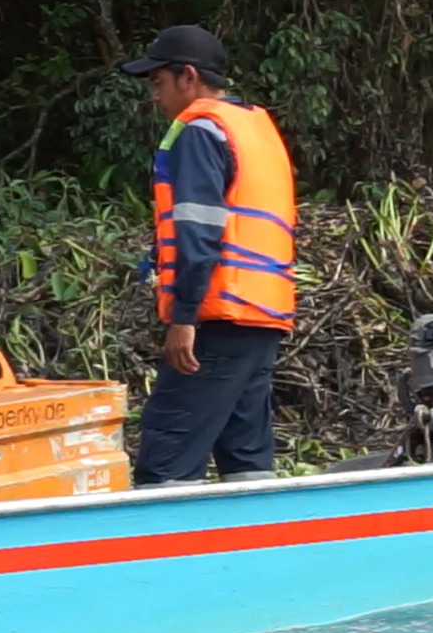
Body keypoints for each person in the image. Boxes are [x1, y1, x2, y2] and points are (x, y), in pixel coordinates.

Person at [119, 24, 298, 487]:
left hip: (217, 316)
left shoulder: (200, 132)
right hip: (262, 316)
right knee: (246, 456)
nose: (155, 96)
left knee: (167, 455)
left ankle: (164, 553)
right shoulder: (255, 126)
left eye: (159, 83)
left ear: (189, 77)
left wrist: (184, 319)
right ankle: (261, 550)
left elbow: (200, 235)